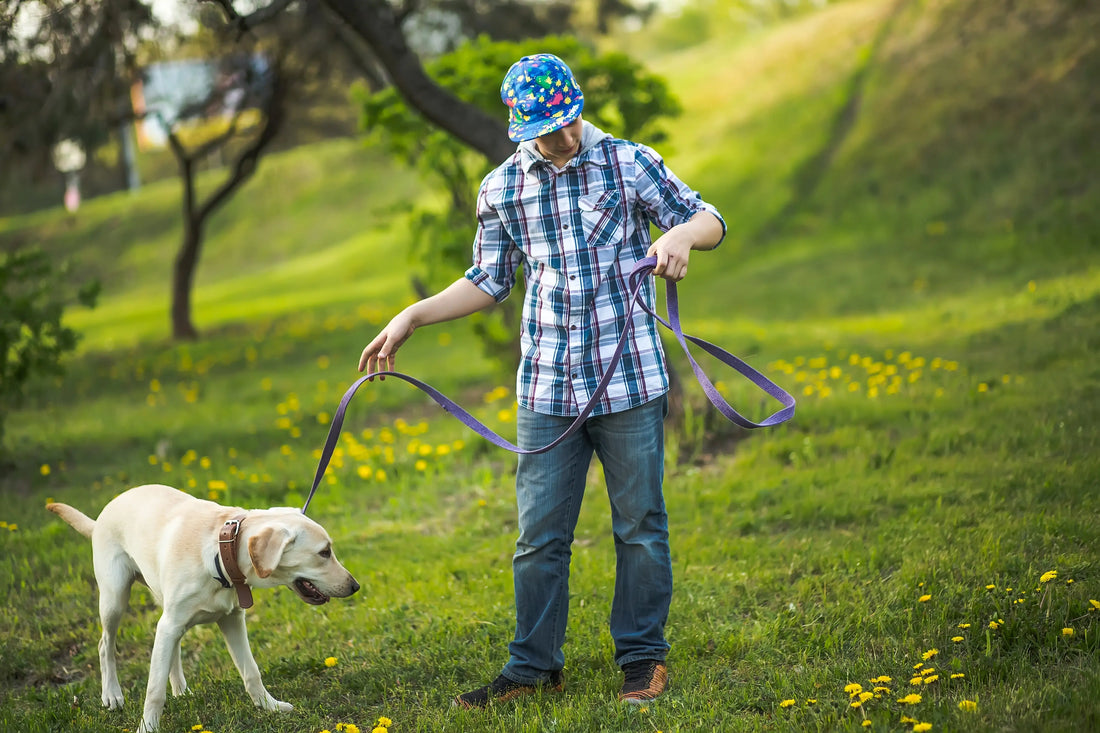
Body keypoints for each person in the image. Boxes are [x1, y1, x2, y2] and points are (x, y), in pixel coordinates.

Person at [357, 53, 726, 708]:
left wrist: (681, 238)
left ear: (578, 107)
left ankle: (642, 659)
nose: (556, 139)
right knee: (538, 536)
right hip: (547, 389)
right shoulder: (502, 187)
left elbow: (709, 217)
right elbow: (488, 280)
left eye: (563, 123)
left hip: (629, 380)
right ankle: (532, 666)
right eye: (541, 129)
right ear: (518, 125)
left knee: (640, 523)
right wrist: (412, 314)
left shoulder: (627, 161)